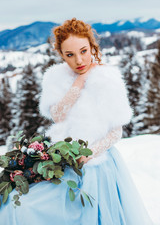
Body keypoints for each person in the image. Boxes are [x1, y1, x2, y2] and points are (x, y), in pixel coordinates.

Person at [0, 18, 154, 225]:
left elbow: (116, 132)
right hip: (61, 160)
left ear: (92, 47)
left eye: (83, 51)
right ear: (61, 55)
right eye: (70, 55)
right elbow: (57, 115)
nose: (79, 61)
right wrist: (79, 84)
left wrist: (88, 155)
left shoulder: (108, 78)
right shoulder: (55, 77)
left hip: (98, 165)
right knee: (19, 204)